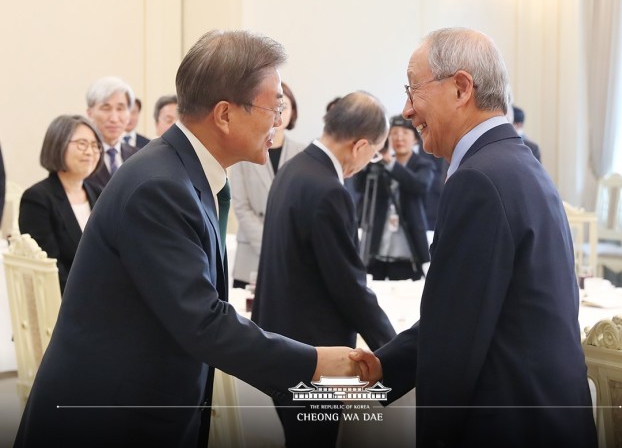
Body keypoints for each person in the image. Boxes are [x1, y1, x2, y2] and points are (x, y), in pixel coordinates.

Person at [14, 30, 363, 448]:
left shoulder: (184, 173)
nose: (279, 121)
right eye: (275, 106)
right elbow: (203, 320)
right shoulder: (159, 186)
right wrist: (314, 362)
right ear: (224, 114)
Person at [350, 27, 597, 447]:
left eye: (413, 91)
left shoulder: (478, 179)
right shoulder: (514, 162)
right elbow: (463, 313)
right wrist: (375, 370)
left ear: (461, 88)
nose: (407, 111)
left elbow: (455, 345)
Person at [252, 91, 397, 447]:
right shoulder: (329, 190)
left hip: (280, 341)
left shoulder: (292, 168)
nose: (369, 161)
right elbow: (349, 285)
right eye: (374, 153)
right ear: (361, 145)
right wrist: (393, 349)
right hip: (315, 354)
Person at [230, 82, 305, 289]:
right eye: (274, 107)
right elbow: (241, 207)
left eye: (284, 107)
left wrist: (284, 246)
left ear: (293, 112)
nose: (279, 113)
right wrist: (271, 245)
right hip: (252, 256)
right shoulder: (244, 152)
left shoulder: (304, 154)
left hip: (292, 255)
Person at [18, 115, 103, 292]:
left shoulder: (100, 193)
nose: (90, 152)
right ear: (58, 144)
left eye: (95, 145)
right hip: (67, 300)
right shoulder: (37, 199)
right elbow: (50, 271)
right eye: (82, 144)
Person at [355, 115, 432, 280]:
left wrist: (391, 164)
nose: (399, 138)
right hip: (378, 246)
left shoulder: (423, 165)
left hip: (408, 248)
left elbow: (419, 186)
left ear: (415, 140)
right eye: (395, 133)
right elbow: (358, 187)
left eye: (405, 133)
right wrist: (365, 157)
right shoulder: (378, 162)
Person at [84, 76, 139, 192]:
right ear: (90, 114)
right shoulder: (83, 156)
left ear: (128, 114)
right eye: (106, 108)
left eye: (120, 108)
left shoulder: (138, 155)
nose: (114, 118)